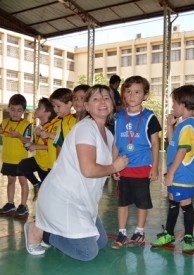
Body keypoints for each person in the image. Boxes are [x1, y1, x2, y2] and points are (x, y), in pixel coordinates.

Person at [23, 84, 128, 261]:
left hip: (83, 199)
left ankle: (50, 227)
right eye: (95, 98)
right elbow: (88, 170)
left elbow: (102, 165)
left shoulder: (108, 134)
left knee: (100, 242)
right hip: (63, 198)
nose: (102, 101)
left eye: (106, 98)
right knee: (87, 252)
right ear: (87, 106)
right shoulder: (85, 128)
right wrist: (113, 168)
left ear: (112, 104)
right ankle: (41, 231)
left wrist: (112, 171)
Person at [111, 75, 161, 249]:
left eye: (137, 92)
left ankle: (139, 232)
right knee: (122, 201)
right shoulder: (118, 117)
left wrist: (155, 167)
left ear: (145, 95)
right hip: (123, 166)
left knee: (141, 202)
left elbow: (155, 143)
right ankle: (122, 232)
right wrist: (113, 165)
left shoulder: (149, 117)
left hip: (141, 167)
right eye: (129, 91)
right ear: (123, 94)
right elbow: (116, 143)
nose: (132, 96)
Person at [151, 85, 194, 252]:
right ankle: (169, 233)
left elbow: (182, 150)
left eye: (174, 103)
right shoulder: (183, 124)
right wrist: (170, 125)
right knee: (173, 200)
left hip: (182, 172)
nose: (172, 106)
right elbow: (173, 143)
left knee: (185, 203)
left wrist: (171, 173)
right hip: (176, 170)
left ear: (182, 104)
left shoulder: (188, 125)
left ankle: (188, 236)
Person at [18, 98, 56, 201]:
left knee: (49, 194)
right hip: (39, 160)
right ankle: (37, 184)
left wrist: (35, 146)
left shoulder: (52, 127)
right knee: (22, 165)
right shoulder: (38, 127)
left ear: (47, 113)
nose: (36, 109)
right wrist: (31, 144)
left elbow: (51, 146)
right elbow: (39, 144)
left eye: (39, 108)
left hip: (46, 164)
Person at [0, 94, 31, 215]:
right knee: (10, 181)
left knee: (23, 181)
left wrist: (19, 136)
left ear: (23, 111)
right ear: (8, 108)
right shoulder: (4, 122)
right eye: (12, 109)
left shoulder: (26, 124)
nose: (15, 113)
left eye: (19, 110)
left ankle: (23, 205)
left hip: (21, 160)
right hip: (8, 158)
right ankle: (10, 203)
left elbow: (28, 141)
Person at [39, 88, 73, 169]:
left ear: (69, 104)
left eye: (58, 106)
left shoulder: (71, 121)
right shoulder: (55, 120)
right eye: (54, 106)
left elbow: (67, 141)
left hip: (62, 164)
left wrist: (49, 135)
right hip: (51, 161)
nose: (55, 109)